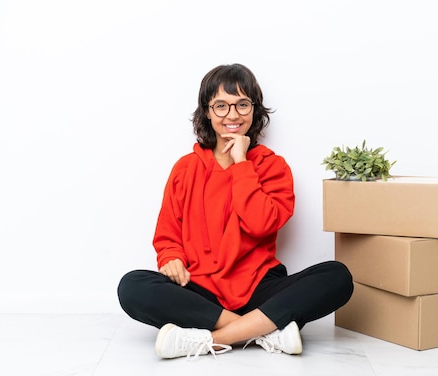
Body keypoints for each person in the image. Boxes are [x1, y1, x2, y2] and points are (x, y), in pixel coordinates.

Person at [117, 63, 353, 360]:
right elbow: (167, 234)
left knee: (337, 276)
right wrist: (171, 258)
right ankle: (264, 330)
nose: (232, 115)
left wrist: (242, 164)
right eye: (221, 106)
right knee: (132, 286)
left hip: (260, 287)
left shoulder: (271, 166)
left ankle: (208, 341)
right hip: (200, 289)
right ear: (206, 111)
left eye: (242, 104)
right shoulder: (185, 169)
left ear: (254, 110)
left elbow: (260, 224)